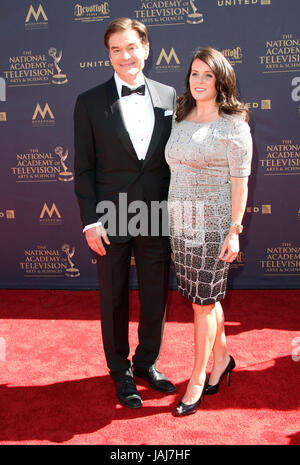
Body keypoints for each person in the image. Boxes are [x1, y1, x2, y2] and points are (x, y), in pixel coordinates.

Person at [74, 18, 176, 409]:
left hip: (156, 214)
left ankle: (146, 362)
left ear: (146, 48)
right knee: (113, 297)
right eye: (115, 49)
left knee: (154, 296)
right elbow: (83, 168)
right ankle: (120, 371)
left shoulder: (170, 97)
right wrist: (89, 221)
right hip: (109, 217)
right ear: (108, 55)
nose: (124, 56)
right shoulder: (88, 102)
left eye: (131, 47)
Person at [165, 47, 252, 416]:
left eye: (207, 75)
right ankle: (222, 359)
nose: (198, 81)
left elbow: (240, 183)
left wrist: (234, 230)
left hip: (213, 224)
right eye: (194, 73)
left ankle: (197, 379)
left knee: (202, 305)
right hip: (181, 223)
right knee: (205, 299)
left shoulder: (233, 125)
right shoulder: (181, 117)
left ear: (221, 82)